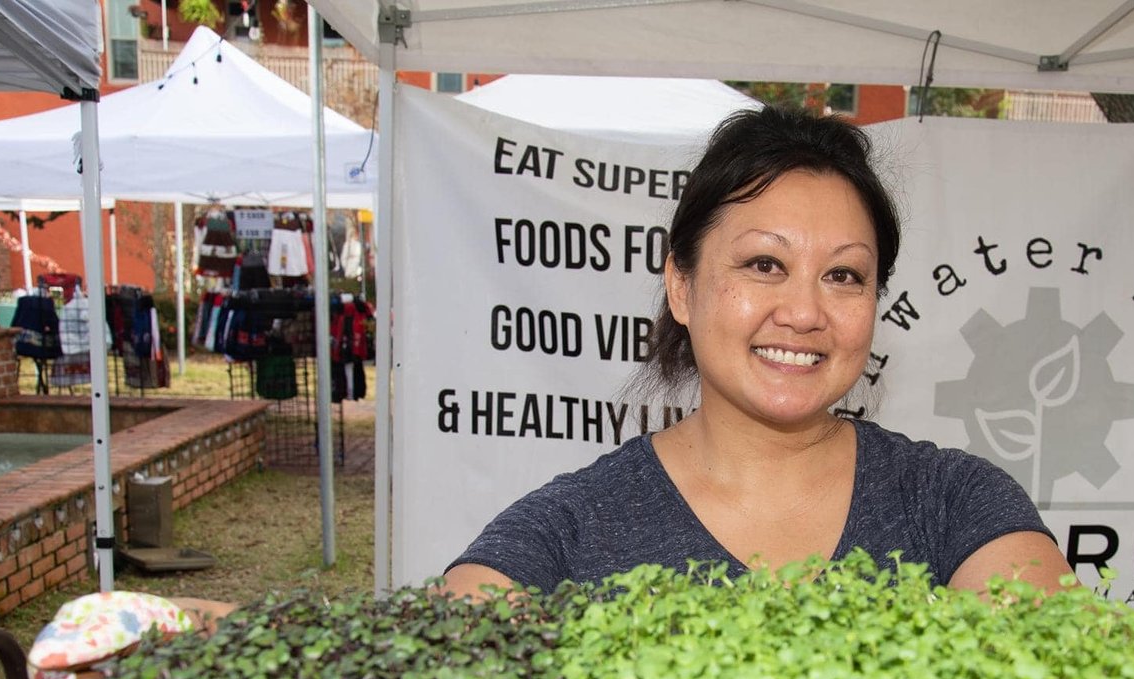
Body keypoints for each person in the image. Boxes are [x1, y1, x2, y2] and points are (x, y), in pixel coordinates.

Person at [442, 105, 1074, 598]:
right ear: (682, 288)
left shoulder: (952, 502)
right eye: (764, 264)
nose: (803, 313)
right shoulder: (571, 529)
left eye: (844, 276)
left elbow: (1063, 668)